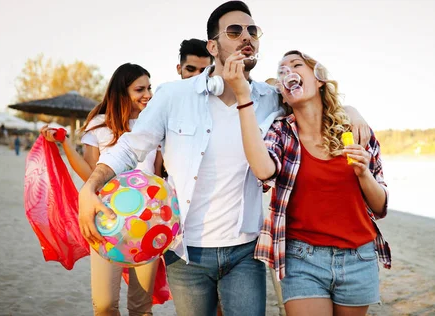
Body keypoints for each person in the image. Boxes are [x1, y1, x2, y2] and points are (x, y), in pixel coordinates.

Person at [78, 2, 370, 315]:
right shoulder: (173, 96)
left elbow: (316, 102)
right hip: (185, 252)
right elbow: (129, 147)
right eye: (235, 31)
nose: (247, 37)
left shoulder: (271, 98)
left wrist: (353, 112)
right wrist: (90, 187)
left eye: (252, 31)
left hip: (246, 251)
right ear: (213, 46)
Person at [223, 50, 391, 316]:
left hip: (359, 257)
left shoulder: (355, 131)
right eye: (281, 70)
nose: (288, 71)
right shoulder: (281, 132)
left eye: (296, 64)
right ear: (284, 91)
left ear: (319, 79)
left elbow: (380, 207)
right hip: (302, 258)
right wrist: (243, 97)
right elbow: (264, 171)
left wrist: (363, 174)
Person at [41, 63, 160, 315]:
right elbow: (89, 172)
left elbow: (158, 175)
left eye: (150, 87)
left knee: (141, 306)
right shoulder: (99, 124)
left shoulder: (154, 125)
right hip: (106, 221)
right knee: (104, 305)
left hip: (147, 222)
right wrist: (63, 142)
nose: (147, 94)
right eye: (140, 89)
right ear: (121, 92)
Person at [155, 38, 214, 178]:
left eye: (203, 71)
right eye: (190, 69)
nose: (197, 76)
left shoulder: (222, 102)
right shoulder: (166, 98)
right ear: (179, 68)